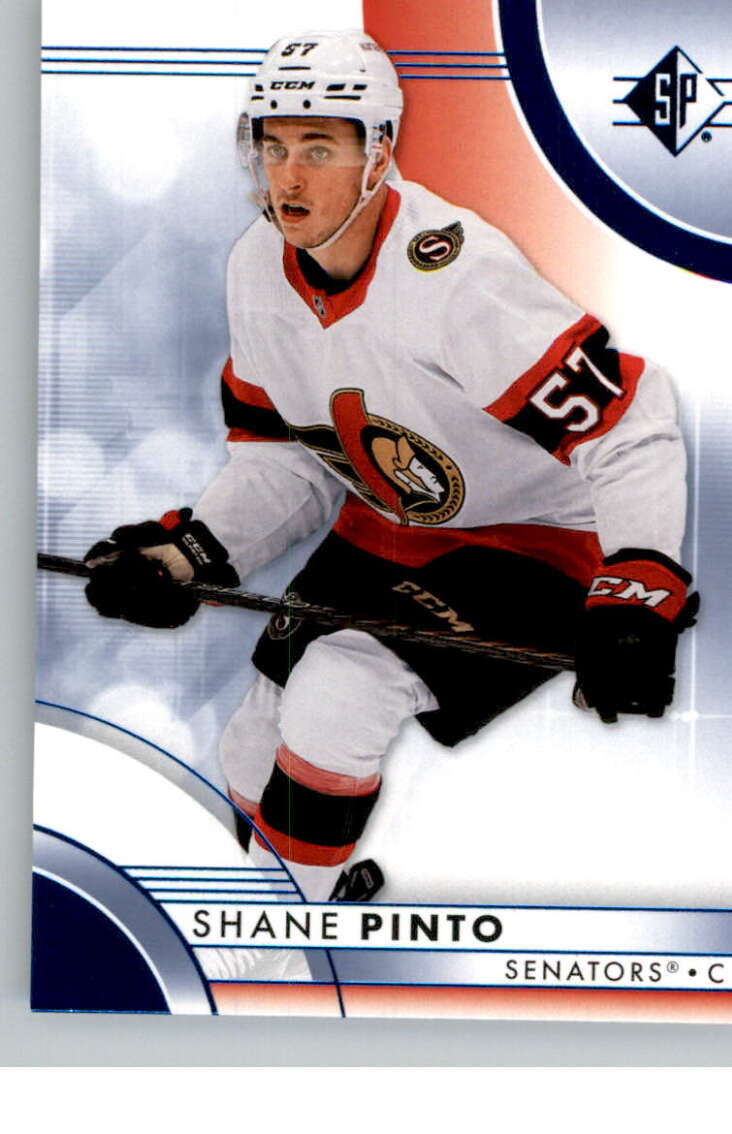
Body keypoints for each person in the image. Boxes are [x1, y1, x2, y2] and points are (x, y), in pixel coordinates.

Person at [83, 29, 698, 904]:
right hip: (392, 521)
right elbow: (287, 460)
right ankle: (300, 895)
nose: (288, 177)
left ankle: (284, 939)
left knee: (338, 695)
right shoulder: (256, 267)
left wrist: (638, 586)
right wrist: (190, 554)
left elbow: (632, 426)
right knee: (250, 750)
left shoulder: (459, 278)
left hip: (542, 538)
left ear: (378, 154)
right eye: (274, 147)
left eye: (319, 148)